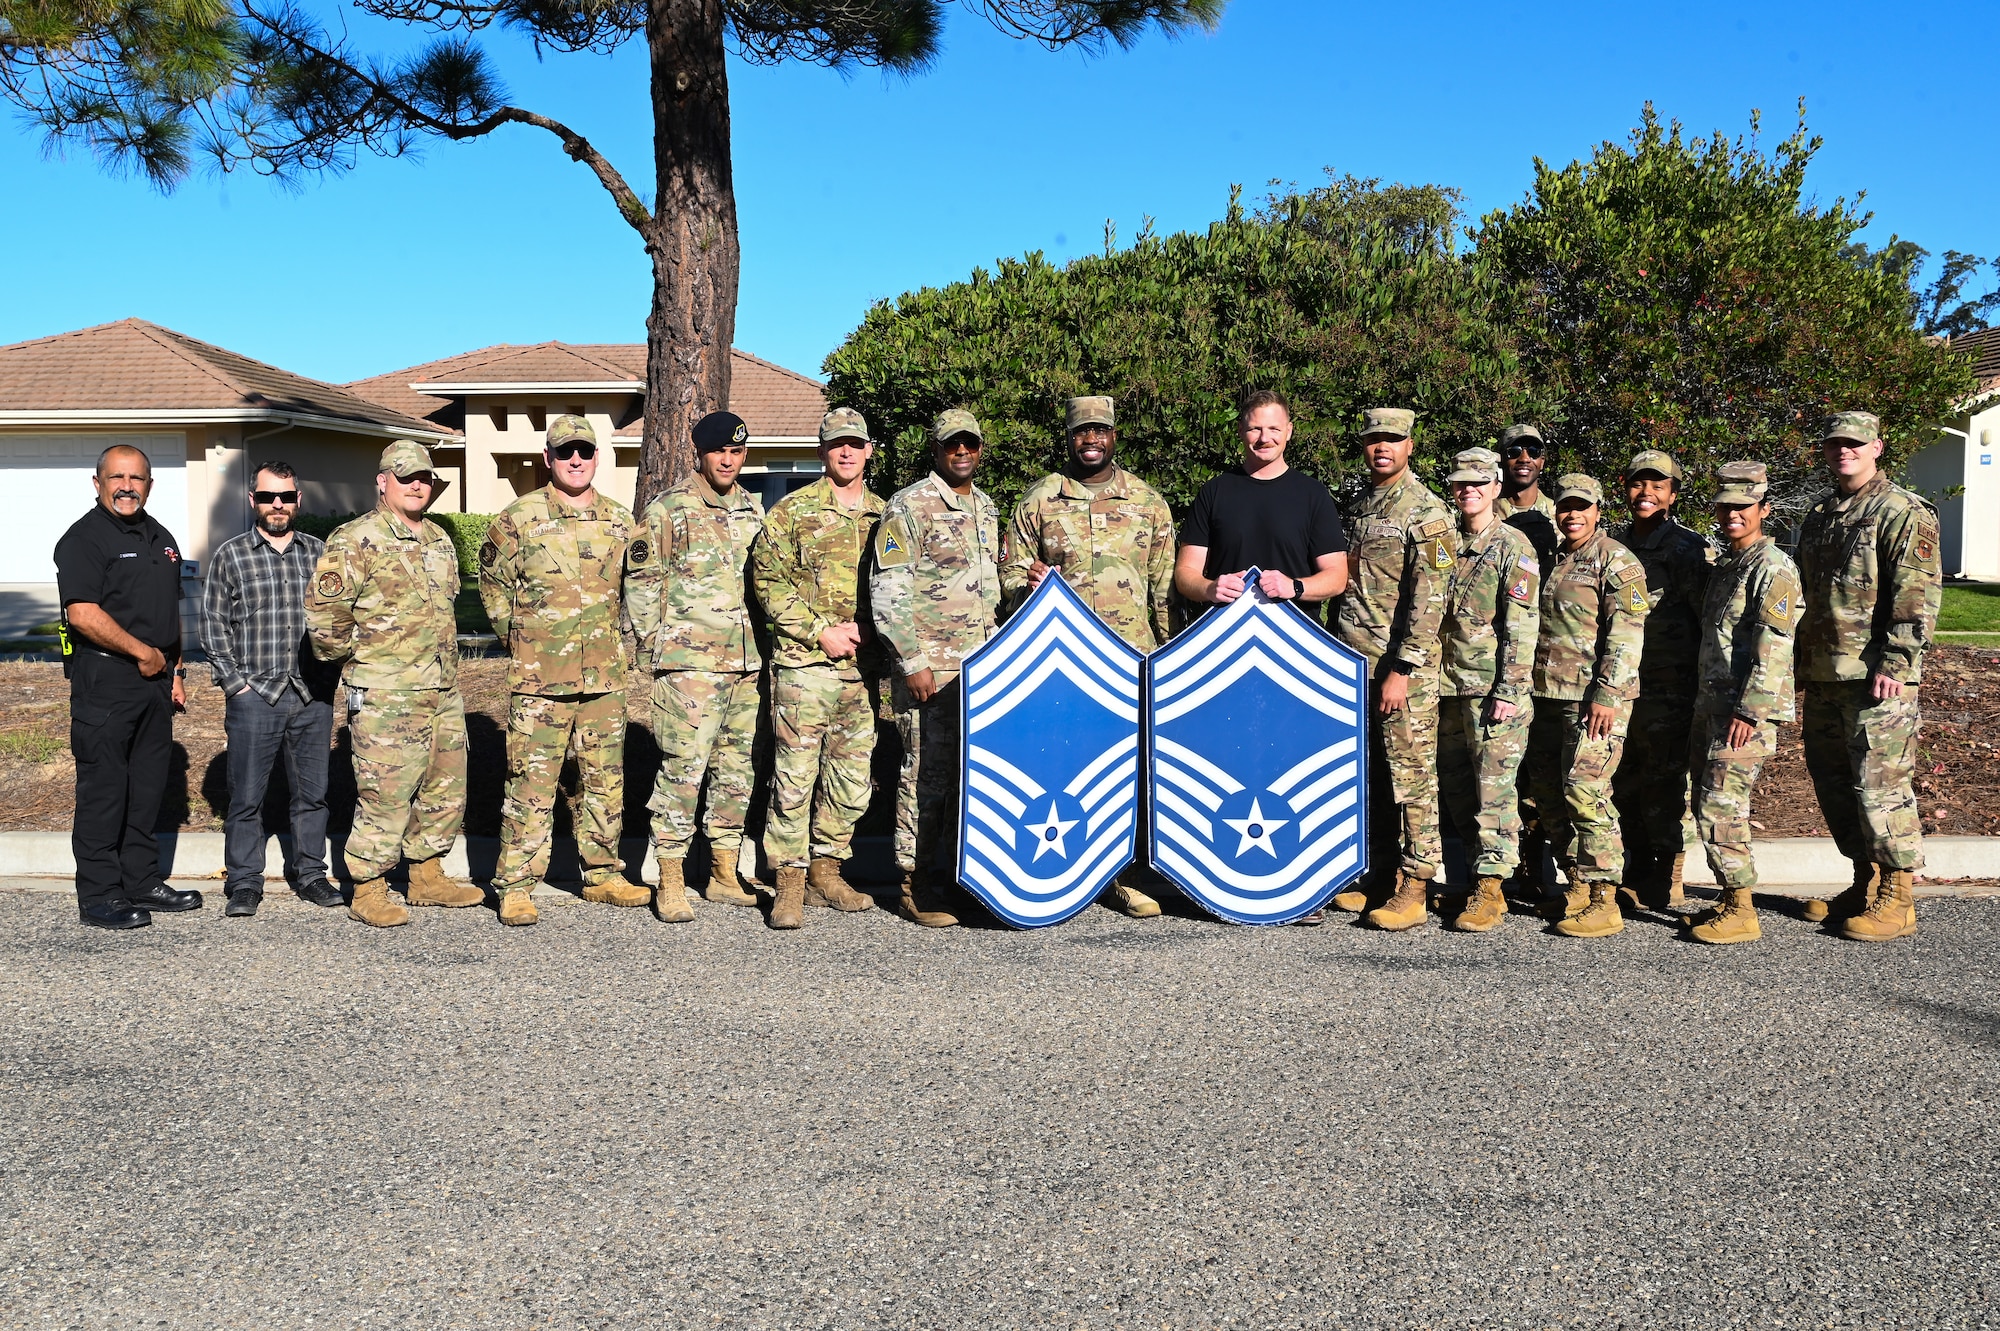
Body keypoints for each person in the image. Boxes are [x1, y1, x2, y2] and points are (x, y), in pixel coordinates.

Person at [1002, 394, 1175, 920]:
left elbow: (1165, 590)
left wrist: (1169, 659)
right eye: (1082, 432)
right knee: (1074, 764)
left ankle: (1124, 872)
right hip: (1064, 663)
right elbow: (1006, 578)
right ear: (1069, 438)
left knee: (1128, 765)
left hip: (1131, 658)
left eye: (1100, 430)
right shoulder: (1039, 501)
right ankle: (1082, 868)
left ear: (1114, 435)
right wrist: (1022, 584)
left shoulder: (1148, 502)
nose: (1091, 439)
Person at [306, 440, 483, 927]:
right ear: (383, 482)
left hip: (442, 689)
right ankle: (368, 885)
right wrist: (360, 665)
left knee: (444, 787)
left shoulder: (439, 540)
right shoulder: (354, 539)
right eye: (406, 478)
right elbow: (325, 619)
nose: (417, 486)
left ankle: (426, 876)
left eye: (424, 478)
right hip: (386, 692)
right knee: (385, 792)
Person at [478, 415, 640, 928]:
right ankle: (517, 885)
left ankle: (602, 874)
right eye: (565, 451)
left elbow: (639, 588)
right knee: (531, 784)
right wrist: (522, 640)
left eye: (585, 452)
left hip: (604, 679)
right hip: (539, 681)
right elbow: (491, 585)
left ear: (597, 458)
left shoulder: (620, 522)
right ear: (548, 458)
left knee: (604, 781)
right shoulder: (517, 519)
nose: (576, 460)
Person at [1794, 410, 1943, 941]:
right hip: (1826, 671)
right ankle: (1865, 880)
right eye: (1836, 443)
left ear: (1877, 447)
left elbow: (1917, 591)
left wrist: (1898, 663)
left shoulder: (1902, 510)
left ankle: (1898, 896)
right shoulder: (1819, 514)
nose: (1844, 451)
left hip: (1876, 676)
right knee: (1835, 783)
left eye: (1855, 443)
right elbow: (1809, 596)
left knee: (1881, 785)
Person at [749, 408, 887, 930]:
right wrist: (819, 631)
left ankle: (827, 870)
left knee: (850, 776)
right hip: (805, 665)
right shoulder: (792, 513)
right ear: (822, 451)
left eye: (854, 443)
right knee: (794, 775)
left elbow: (901, 585)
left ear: (869, 449)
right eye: (836, 445)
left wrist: (880, 630)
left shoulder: (887, 516)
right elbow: (768, 582)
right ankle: (789, 879)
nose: (845, 452)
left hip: (864, 670)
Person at [54, 444, 200, 930]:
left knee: (146, 786)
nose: (127, 486)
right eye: (116, 477)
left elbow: (166, 612)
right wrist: (143, 654)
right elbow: (83, 614)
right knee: (104, 789)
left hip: (156, 681)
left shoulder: (161, 537)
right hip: (106, 679)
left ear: (149, 484)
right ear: (97, 484)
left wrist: (175, 670)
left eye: (136, 478)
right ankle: (99, 894)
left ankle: (141, 880)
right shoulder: (84, 539)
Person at [627, 410, 765, 921]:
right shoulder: (668, 510)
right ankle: (670, 876)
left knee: (736, 770)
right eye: (718, 452)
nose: (728, 460)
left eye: (736, 451)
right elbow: (642, 583)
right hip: (688, 667)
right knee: (682, 770)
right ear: (699, 455)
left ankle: (724, 872)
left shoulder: (753, 509)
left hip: (746, 664)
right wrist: (652, 650)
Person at [870, 408, 1002, 928]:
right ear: (937, 450)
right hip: (933, 670)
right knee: (926, 774)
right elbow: (888, 589)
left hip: (981, 669)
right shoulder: (910, 506)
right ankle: (915, 881)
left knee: (966, 779)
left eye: (970, 443)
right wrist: (912, 661)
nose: (962, 451)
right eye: (953, 444)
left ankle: (953, 876)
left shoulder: (986, 509)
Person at [201, 460, 343, 918]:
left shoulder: (321, 555)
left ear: (298, 500)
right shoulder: (231, 555)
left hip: (311, 695)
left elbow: (341, 619)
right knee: (245, 797)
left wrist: (328, 677)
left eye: (284, 496)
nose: (276, 505)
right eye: (267, 497)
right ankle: (244, 883)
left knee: (312, 794)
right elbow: (213, 625)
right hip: (254, 696)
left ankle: (311, 875)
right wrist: (234, 684)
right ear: (253, 501)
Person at [1326, 407, 1448, 932]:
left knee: (1411, 775)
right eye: (1375, 439)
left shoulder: (1426, 511)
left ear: (1410, 446)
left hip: (1401, 671)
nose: (1383, 447)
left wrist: (1402, 667)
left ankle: (1415, 883)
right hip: (1357, 663)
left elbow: (1431, 598)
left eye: (1393, 440)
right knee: (1372, 774)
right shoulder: (1359, 505)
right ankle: (1378, 872)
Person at [1524, 474, 1648, 939]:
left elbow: (1627, 632)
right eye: (1565, 506)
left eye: (1582, 507)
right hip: (1547, 695)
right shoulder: (1556, 560)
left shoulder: (1615, 560)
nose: (1572, 514)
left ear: (1598, 511)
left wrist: (1607, 694)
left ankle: (1605, 898)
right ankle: (1576, 882)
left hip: (1593, 701)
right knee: (1549, 793)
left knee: (1586, 792)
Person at [1685, 463, 1803, 945]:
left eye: (1744, 507)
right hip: (1713, 704)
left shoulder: (1772, 567)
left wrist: (1749, 712)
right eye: (1726, 506)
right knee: (1707, 800)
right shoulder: (1730, 565)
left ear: (1763, 510)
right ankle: (1730, 897)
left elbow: (1774, 645)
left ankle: (1742, 908)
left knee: (1722, 804)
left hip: (1741, 712)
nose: (1733, 514)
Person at [1433, 448, 1541, 934]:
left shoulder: (1513, 546)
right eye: (1460, 483)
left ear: (1496, 488)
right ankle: (1472, 875)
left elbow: (1522, 625)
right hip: (1446, 686)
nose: (1468, 491)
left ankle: (1491, 887)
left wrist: (1510, 689)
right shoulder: (1445, 542)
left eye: (1478, 483)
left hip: (1492, 690)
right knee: (1457, 789)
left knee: (1493, 792)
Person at [1607, 449, 1712, 910]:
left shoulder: (1687, 548)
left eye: (1657, 485)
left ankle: (1668, 869)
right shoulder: (1610, 543)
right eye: (1637, 483)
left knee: (1666, 778)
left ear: (1672, 493)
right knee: (1624, 777)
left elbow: (1706, 618)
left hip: (1670, 683)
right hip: (1621, 682)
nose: (1645, 493)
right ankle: (1634, 867)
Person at [1174, 389, 1349, 619]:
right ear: (1240, 432)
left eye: (1274, 429)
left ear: (1289, 431)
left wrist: (1294, 587)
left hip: (1294, 638)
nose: (1265, 438)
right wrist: (1209, 589)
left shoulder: (1313, 495)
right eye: (1255, 429)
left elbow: (1337, 576)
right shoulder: (1214, 492)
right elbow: (1185, 573)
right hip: (1225, 636)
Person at [1496, 424, 1559, 567]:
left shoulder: (1559, 515)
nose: (1524, 459)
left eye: (1534, 452)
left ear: (1542, 461)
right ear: (1502, 459)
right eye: (1514, 452)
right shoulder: (1485, 513)